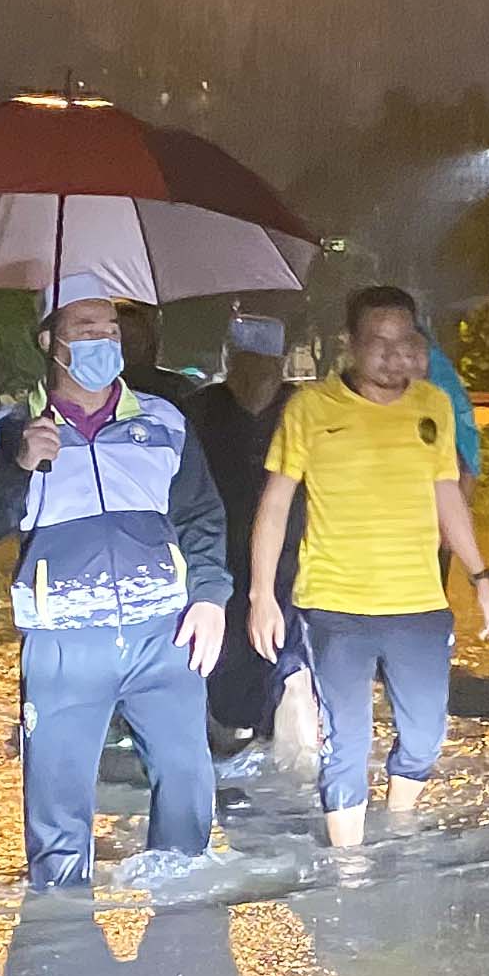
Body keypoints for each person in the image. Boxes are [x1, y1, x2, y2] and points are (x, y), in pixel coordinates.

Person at [0, 278, 231, 888]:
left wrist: (211, 599)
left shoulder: (163, 421)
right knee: (56, 802)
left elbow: (201, 518)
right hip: (61, 641)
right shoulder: (8, 428)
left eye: (110, 330)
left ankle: (181, 926)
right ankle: (60, 938)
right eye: (84, 330)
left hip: (164, 634)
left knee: (188, 780)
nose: (102, 342)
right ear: (49, 342)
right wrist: (18, 466)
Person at [248, 283, 489, 850]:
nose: (393, 355)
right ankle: (349, 870)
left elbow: (448, 497)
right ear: (350, 344)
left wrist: (480, 578)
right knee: (348, 739)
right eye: (378, 342)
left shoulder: (432, 406)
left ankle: (398, 835)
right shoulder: (311, 409)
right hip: (334, 606)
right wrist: (262, 596)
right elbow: (274, 504)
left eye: (404, 341)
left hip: (418, 604)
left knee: (424, 737)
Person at [189, 312, 300, 751]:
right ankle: (225, 735)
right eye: (245, 363)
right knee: (223, 658)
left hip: (289, 559)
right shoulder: (200, 410)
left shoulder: (300, 409)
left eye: (265, 365)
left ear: (281, 364)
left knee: (283, 656)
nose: (256, 376)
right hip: (218, 555)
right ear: (230, 363)